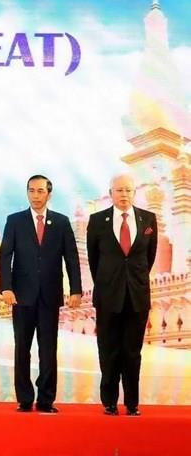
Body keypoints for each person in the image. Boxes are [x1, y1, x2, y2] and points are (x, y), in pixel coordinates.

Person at [0, 175, 82, 413]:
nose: (36, 195)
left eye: (40, 191)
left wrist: (75, 289)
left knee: (48, 350)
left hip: (49, 296)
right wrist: (6, 287)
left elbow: (72, 258)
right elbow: (5, 256)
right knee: (21, 348)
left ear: (49, 194)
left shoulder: (62, 222)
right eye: (32, 191)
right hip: (21, 296)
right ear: (27, 193)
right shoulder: (14, 221)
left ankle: (46, 400)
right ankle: (24, 398)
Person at [87, 174, 157, 416]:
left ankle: (132, 402)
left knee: (132, 351)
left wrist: (132, 281)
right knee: (108, 349)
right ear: (111, 192)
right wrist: (109, 282)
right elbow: (94, 259)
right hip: (108, 296)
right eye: (119, 190)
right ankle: (109, 401)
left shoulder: (148, 219)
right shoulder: (97, 221)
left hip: (137, 296)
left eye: (128, 190)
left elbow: (149, 258)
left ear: (134, 192)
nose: (124, 194)